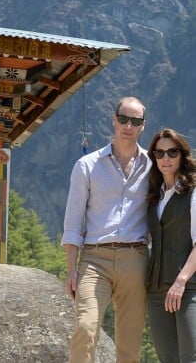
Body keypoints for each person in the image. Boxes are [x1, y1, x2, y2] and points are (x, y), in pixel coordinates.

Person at [62, 96, 151, 363]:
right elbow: (73, 220)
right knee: (86, 328)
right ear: (114, 120)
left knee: (129, 344)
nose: (128, 126)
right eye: (123, 119)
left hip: (135, 259)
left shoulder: (153, 166)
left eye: (135, 121)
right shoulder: (87, 165)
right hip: (94, 259)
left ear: (142, 126)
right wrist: (71, 269)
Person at [145, 128, 196, 363]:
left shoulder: (193, 192)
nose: (166, 158)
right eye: (160, 153)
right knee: (168, 359)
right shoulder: (155, 195)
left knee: (190, 357)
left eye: (172, 152)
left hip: (188, 287)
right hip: (156, 290)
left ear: (182, 155)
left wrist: (181, 280)